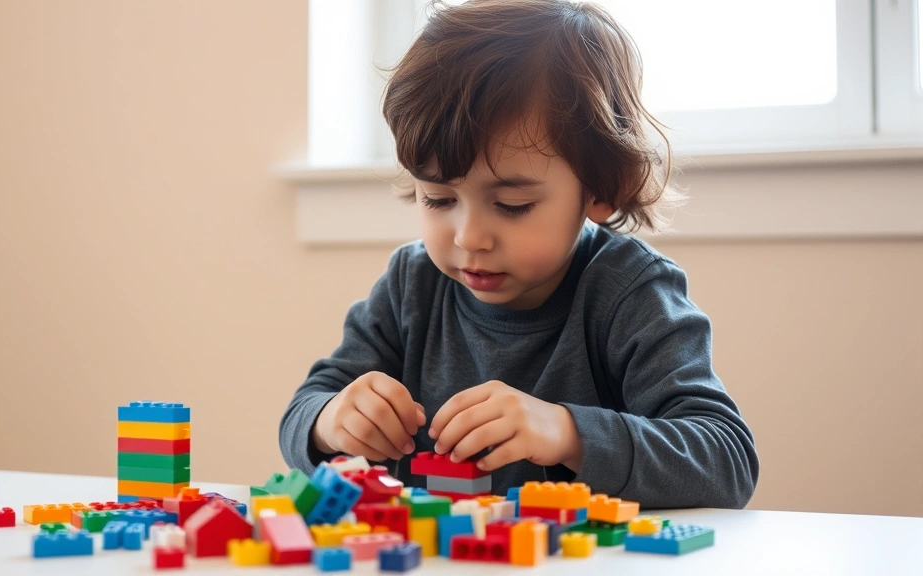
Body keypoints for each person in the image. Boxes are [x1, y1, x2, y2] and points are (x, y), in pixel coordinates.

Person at [279, 0, 758, 508]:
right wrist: (331, 422)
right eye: (438, 199)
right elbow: (301, 413)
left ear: (600, 189)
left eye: (512, 205)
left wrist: (568, 432)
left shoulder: (630, 292)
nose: (469, 237)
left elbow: (726, 460)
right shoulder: (410, 284)